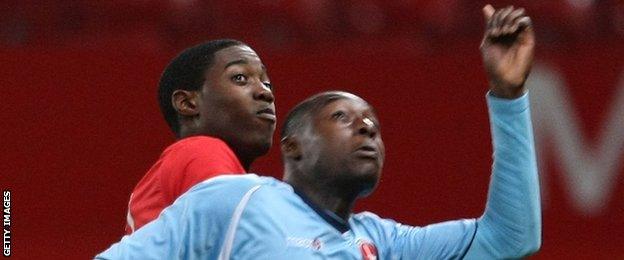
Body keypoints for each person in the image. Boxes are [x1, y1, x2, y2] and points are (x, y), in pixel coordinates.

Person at [98, 4, 541, 259]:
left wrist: (508, 97)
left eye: (373, 123)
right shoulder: (233, 195)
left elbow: (511, 238)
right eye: (342, 118)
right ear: (293, 147)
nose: (366, 127)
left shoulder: (380, 241)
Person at [124, 39, 276, 234]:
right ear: (187, 103)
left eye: (266, 83)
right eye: (240, 78)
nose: (266, 93)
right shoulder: (201, 150)